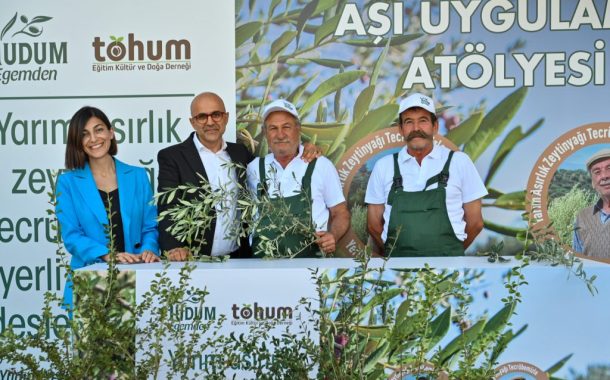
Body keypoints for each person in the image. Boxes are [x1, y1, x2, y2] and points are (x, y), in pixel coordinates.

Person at [157, 92, 321, 261]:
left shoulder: (240, 153)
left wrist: (305, 148)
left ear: (226, 118)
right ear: (193, 122)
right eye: (202, 117)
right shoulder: (172, 157)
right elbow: (167, 208)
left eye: (216, 114)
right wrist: (173, 247)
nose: (210, 122)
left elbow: (278, 164)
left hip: (238, 259)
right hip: (193, 259)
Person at [56, 106, 159, 304]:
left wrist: (149, 249)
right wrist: (106, 255)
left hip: (137, 279)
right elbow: (72, 236)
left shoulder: (138, 176)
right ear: (78, 142)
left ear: (111, 132)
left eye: (99, 129)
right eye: (85, 134)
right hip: (91, 282)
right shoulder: (67, 183)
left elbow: (150, 227)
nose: (94, 139)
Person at [365, 93, 487, 257]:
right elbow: (373, 225)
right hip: (397, 272)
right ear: (401, 129)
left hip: (447, 272)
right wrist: (393, 256)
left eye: (423, 121)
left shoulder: (459, 162)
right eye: (409, 122)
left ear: (435, 126)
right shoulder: (384, 167)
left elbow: (476, 223)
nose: (416, 128)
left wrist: (451, 254)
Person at [246, 99, 350, 257]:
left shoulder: (320, 165)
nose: (280, 134)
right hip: (263, 266)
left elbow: (340, 213)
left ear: (298, 129)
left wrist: (332, 236)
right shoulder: (254, 168)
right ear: (265, 133)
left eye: (286, 127)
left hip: (310, 267)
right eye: (273, 128)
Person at [573, 148, 610, 259]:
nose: (604, 176)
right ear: (593, 183)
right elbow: (577, 261)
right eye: (597, 172)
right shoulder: (582, 216)